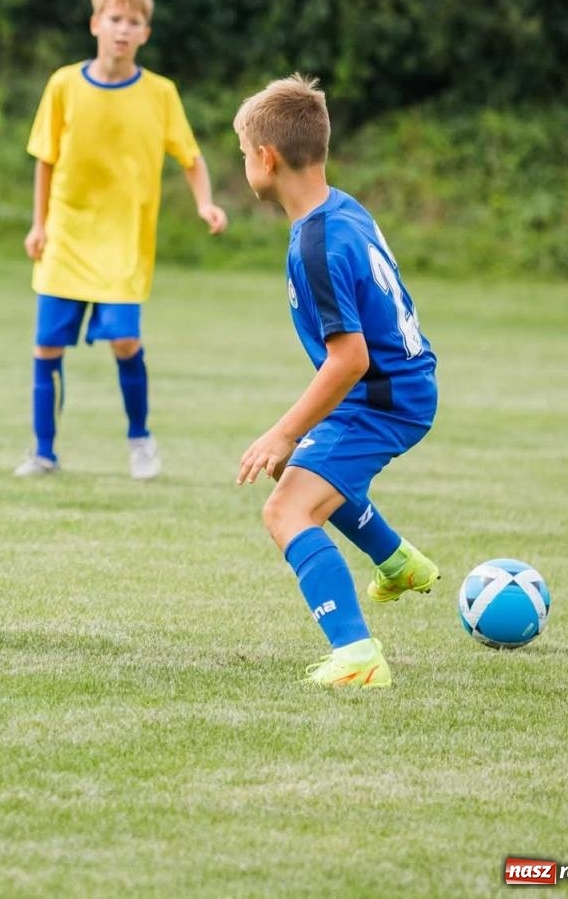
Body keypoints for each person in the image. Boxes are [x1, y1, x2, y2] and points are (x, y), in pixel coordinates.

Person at [234, 74, 441, 688]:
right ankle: (397, 561)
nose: (244, 163)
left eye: (243, 153)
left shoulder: (316, 246)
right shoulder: (342, 208)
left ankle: (357, 656)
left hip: (380, 398)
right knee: (294, 469)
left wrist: (282, 430)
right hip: (394, 385)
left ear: (267, 158)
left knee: (286, 510)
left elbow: (348, 358)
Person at [16, 0, 226, 481]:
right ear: (95, 24)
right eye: (114, 19)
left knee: (125, 342)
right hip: (66, 236)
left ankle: (140, 440)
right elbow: (45, 159)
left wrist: (205, 203)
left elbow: (191, 158)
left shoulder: (161, 93)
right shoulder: (64, 84)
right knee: (47, 346)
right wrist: (39, 224)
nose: (122, 30)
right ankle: (43, 452)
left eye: (133, 23)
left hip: (124, 243)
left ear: (145, 34)